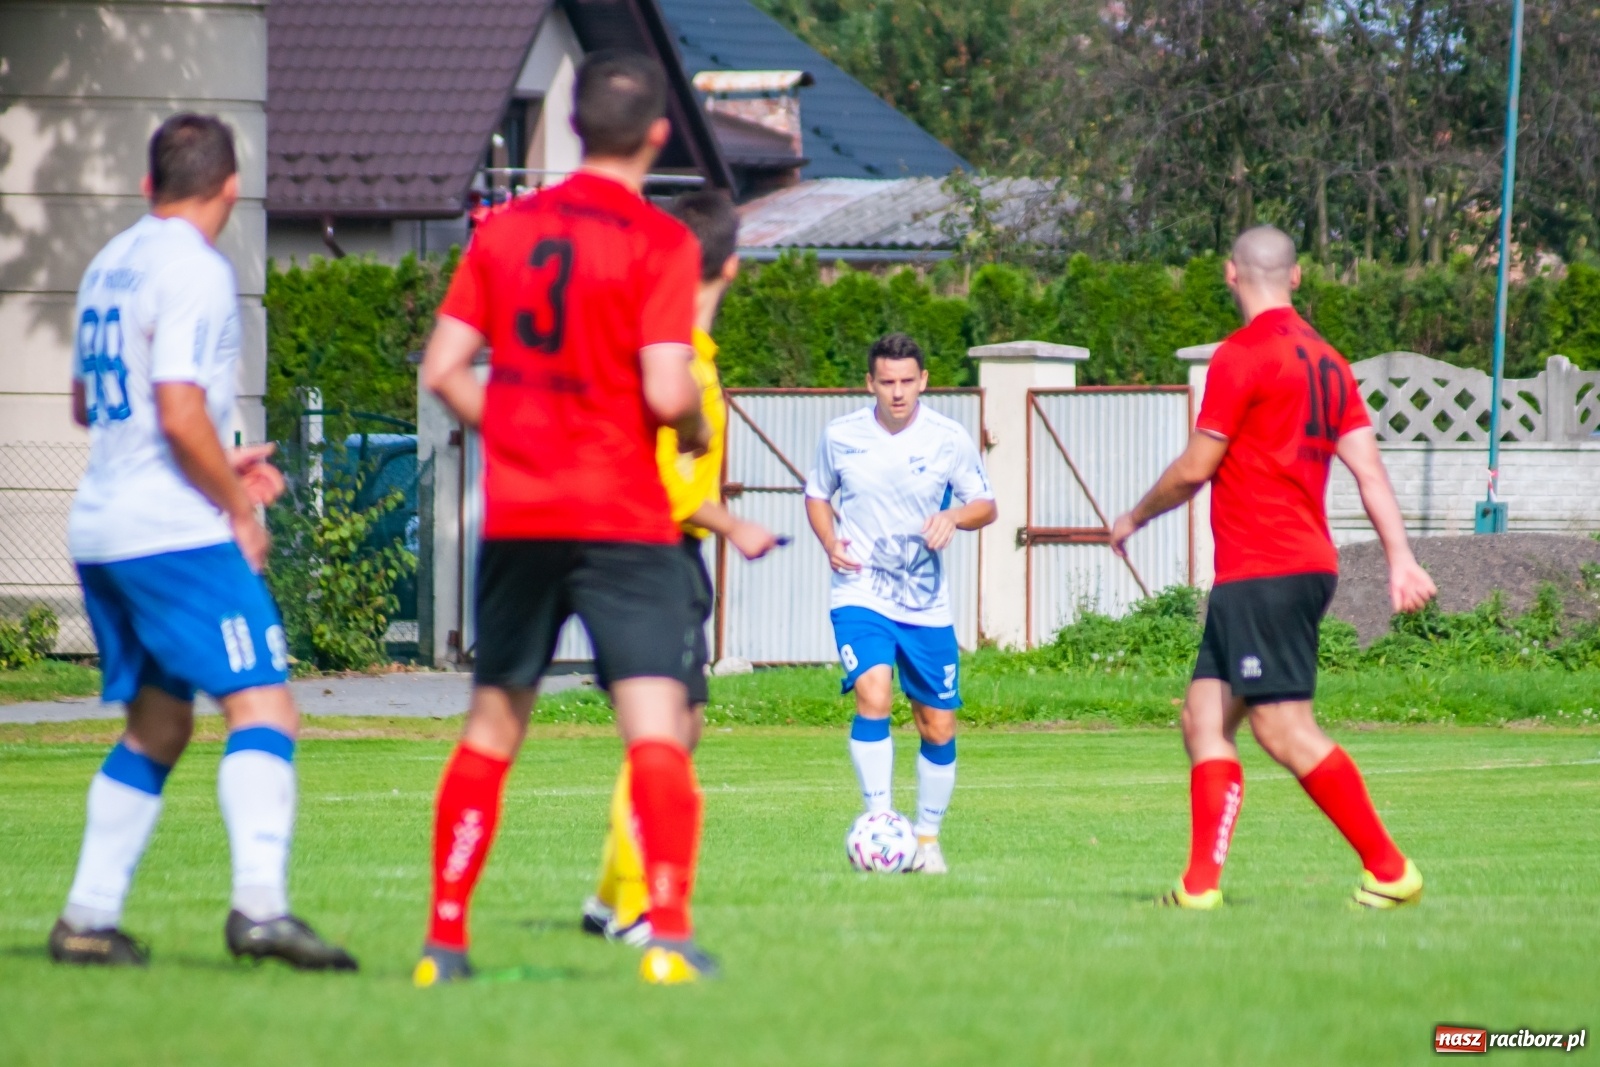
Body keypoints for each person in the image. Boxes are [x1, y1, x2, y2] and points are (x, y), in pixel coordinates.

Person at [415, 51, 719, 986]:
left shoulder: (505, 229)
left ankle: (445, 943)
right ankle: (665, 938)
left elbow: (442, 371)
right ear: (658, 135)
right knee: (657, 727)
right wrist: (701, 424)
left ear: (576, 127)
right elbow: (670, 390)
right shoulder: (662, 242)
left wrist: (517, 427)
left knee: (492, 727)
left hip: (521, 513)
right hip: (623, 517)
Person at [51, 113, 357, 970]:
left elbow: (91, 404)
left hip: (105, 524)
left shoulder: (110, 262)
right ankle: (260, 907)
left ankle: (86, 917)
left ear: (151, 185)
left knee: (158, 725)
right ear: (231, 186)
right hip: (170, 533)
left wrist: (209, 458)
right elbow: (182, 407)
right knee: (265, 704)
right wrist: (236, 503)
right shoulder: (198, 269)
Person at [1109, 224, 1437, 910]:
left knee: (1282, 728)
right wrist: (1400, 559)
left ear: (1230, 274)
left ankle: (1389, 865)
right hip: (1290, 565)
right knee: (1204, 717)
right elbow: (1370, 472)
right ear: (1295, 277)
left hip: (1267, 566)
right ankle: (1199, 885)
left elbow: (1198, 467)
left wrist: (1135, 516)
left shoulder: (1240, 356)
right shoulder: (1328, 358)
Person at [580, 190, 780, 945]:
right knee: (668, 732)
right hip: (653, 555)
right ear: (731, 265)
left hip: (657, 554)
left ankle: (609, 897)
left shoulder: (669, 349)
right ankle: (634, 905)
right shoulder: (679, 363)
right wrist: (734, 522)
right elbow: (664, 487)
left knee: (671, 729)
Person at [804, 334, 997, 874]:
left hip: (925, 603)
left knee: (938, 725)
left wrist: (954, 517)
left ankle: (928, 841)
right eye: (886, 382)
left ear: (924, 381)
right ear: (870, 382)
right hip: (859, 591)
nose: (897, 392)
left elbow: (986, 504)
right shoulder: (841, 435)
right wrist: (828, 541)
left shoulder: (948, 438)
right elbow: (817, 494)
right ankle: (881, 824)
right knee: (874, 694)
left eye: (907, 381)